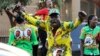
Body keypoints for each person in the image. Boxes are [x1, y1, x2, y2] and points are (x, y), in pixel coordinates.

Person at [17, 8, 87, 56]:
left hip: (65, 53)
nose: (54, 19)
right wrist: (22, 13)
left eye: (56, 17)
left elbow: (74, 24)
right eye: (52, 17)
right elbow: (34, 21)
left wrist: (80, 18)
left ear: (59, 18)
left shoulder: (65, 26)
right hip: (51, 53)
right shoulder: (47, 25)